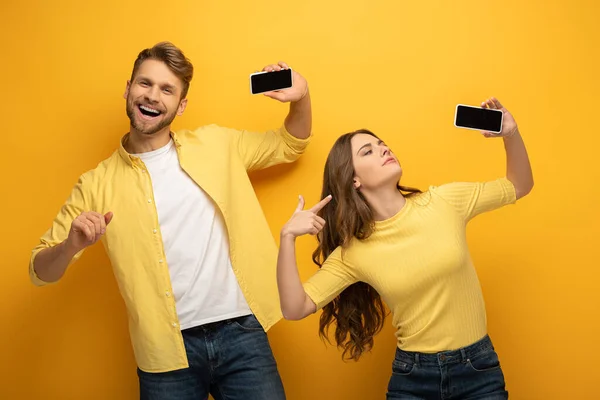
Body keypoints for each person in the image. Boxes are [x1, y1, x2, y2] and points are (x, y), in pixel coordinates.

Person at [29, 41, 312, 400]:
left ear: (181, 105)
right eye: (144, 83)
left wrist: (301, 97)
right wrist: (71, 244)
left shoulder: (217, 144)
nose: (152, 96)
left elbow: (291, 143)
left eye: (167, 89)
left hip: (242, 335)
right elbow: (40, 271)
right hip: (164, 354)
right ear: (128, 89)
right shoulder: (96, 183)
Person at [277, 97, 533, 399]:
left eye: (382, 144)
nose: (384, 149)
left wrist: (511, 134)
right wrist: (287, 238)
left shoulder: (444, 202)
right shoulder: (353, 252)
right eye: (367, 151)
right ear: (354, 179)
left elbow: (519, 185)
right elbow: (295, 308)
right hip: (413, 378)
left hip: (477, 370)